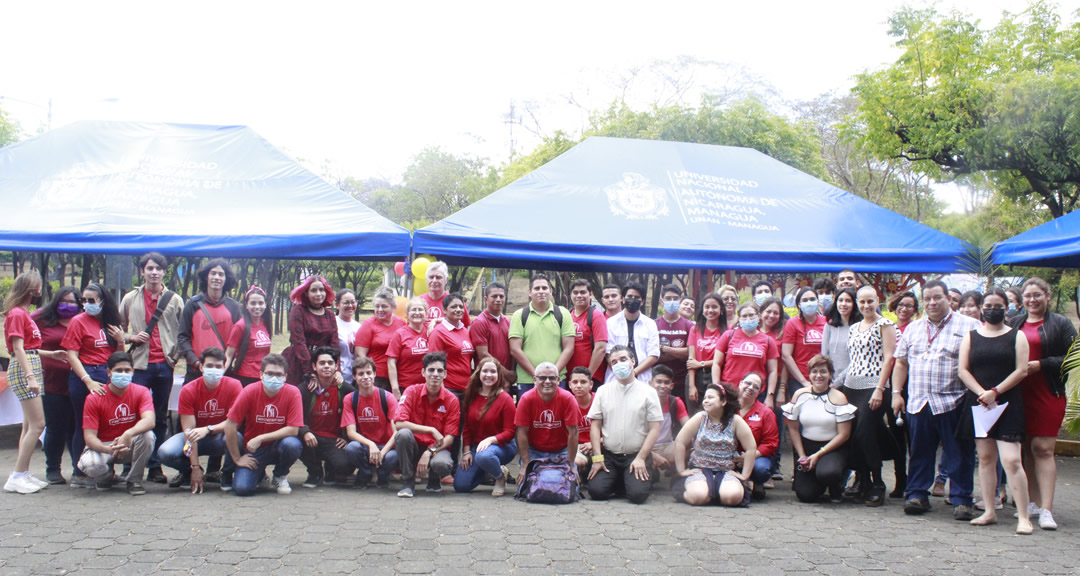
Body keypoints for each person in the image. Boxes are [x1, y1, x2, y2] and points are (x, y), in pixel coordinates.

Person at [892, 280, 982, 520]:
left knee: (959, 452)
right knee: (920, 451)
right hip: (919, 401)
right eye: (928, 298)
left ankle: (962, 499)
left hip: (953, 401)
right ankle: (917, 494)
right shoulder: (913, 328)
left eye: (937, 298)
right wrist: (897, 393)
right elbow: (900, 362)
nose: (932, 303)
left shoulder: (970, 326)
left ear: (948, 299)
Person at [958, 287, 1033, 533]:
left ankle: (1023, 516)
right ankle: (989, 511)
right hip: (980, 404)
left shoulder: (1017, 336)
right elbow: (963, 370)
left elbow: (1021, 370)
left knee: (1011, 460)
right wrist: (981, 393)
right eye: (987, 306)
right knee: (986, 459)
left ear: (1007, 308)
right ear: (981, 308)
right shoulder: (971, 336)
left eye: (997, 306)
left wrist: (996, 392)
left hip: (1007, 403)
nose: (992, 310)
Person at [1009, 277, 1078, 530]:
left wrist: (1042, 365)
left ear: (1047, 296)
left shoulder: (1060, 323)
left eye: (1037, 295)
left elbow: (1074, 355)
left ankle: (1047, 509)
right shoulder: (1014, 322)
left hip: (1048, 392)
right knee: (1026, 449)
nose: (1032, 300)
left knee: (1044, 449)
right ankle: (1032, 503)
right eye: (1027, 295)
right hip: (1019, 393)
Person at [118, 252, 184, 484]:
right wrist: (130, 337)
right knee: (134, 416)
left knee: (160, 417)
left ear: (164, 272)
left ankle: (155, 466)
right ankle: (129, 464)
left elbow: (182, 332)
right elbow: (116, 330)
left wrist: (174, 357)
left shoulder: (174, 299)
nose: (154, 272)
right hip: (139, 366)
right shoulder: (130, 299)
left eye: (158, 268)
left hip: (164, 366)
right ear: (142, 271)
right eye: (149, 268)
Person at [158, 347, 242, 493]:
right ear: (201, 367)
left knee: (237, 437)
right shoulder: (188, 390)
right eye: (209, 366)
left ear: (224, 367)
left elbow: (232, 423)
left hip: (219, 436)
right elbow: (189, 431)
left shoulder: (234, 386)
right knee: (166, 452)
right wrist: (195, 467)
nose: (214, 369)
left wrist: (208, 429)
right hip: (194, 437)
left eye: (218, 366)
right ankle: (190, 472)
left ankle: (227, 474)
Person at [62, 282, 121, 488]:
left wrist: (121, 341)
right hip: (84, 375)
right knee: (84, 424)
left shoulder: (110, 322)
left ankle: (106, 471)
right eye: (83, 300)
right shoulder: (78, 322)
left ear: (103, 302)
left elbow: (118, 357)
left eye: (91, 300)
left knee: (107, 425)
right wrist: (87, 380)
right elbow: (71, 355)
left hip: (106, 373)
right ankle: (80, 473)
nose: (86, 304)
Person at [586, 346, 662, 503]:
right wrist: (597, 458)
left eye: (623, 359)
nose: (618, 364)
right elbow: (595, 425)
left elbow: (654, 429)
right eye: (614, 362)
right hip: (609, 455)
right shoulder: (603, 391)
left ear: (633, 361)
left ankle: (641, 474)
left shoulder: (649, 392)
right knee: (596, 492)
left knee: (637, 496)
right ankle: (621, 480)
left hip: (636, 455)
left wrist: (641, 458)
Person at [842, 286, 896, 506]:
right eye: (862, 302)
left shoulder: (885, 324)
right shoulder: (854, 327)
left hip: (875, 386)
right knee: (854, 434)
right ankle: (861, 479)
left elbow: (890, 357)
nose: (866, 306)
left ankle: (877, 481)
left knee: (866, 432)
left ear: (878, 301)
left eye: (870, 301)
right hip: (851, 387)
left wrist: (880, 389)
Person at [224, 353, 304, 497]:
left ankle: (280, 475)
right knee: (242, 489)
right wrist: (237, 458)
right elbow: (230, 425)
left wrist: (261, 437)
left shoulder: (293, 393)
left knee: (292, 444)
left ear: (285, 376)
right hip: (253, 450)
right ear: (261, 374)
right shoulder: (249, 391)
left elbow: (293, 429)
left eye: (279, 374)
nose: (274, 378)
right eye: (270, 373)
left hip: (278, 447)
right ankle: (259, 475)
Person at [78, 352, 156, 495]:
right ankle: (105, 477)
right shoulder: (94, 398)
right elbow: (89, 437)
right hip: (105, 446)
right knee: (91, 465)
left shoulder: (141, 392)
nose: (123, 374)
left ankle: (134, 479)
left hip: (129, 443)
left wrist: (128, 433)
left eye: (127, 370)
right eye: (118, 370)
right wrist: (108, 449)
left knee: (148, 436)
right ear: (108, 372)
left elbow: (149, 420)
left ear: (133, 371)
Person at [783, 355, 855, 504]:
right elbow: (794, 429)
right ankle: (818, 482)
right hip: (807, 447)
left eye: (823, 371)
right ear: (809, 375)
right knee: (805, 495)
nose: (818, 376)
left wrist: (818, 455)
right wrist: (802, 456)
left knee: (828, 473)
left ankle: (836, 485)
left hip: (832, 448)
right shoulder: (800, 395)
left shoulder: (839, 398)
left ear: (830, 374)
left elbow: (844, 434)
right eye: (814, 372)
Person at [672, 383, 756, 507]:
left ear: (723, 402)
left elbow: (751, 448)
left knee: (732, 498)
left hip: (726, 471)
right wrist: (681, 470)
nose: (706, 401)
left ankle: (717, 492)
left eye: (711, 397)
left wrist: (745, 475)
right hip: (699, 469)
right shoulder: (700, 418)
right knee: (698, 497)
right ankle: (705, 492)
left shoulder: (735, 420)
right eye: (705, 398)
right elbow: (679, 442)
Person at [3, 272, 49, 494]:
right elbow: (18, 347)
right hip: (24, 370)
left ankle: (23, 472)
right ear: (30, 289)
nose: (39, 292)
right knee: (38, 424)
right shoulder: (17, 314)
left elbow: (29, 347)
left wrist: (52, 354)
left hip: (29, 364)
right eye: (37, 288)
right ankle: (18, 474)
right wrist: (30, 377)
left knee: (29, 425)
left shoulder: (23, 314)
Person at [392, 352, 460, 498]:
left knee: (443, 464)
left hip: (436, 448)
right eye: (431, 370)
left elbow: (449, 438)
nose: (435, 374)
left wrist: (429, 452)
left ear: (445, 374)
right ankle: (408, 482)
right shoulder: (411, 391)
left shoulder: (452, 400)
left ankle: (434, 479)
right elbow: (399, 423)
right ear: (423, 372)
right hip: (414, 447)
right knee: (403, 434)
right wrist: (431, 429)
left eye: (439, 371)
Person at [32, 286, 81, 485]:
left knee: (75, 426)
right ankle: (53, 468)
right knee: (55, 427)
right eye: (64, 301)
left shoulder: (82, 320)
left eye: (72, 302)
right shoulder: (40, 318)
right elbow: (25, 347)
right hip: (52, 381)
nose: (68, 306)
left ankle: (79, 468)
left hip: (78, 381)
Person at [454, 357, 517, 496]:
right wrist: (466, 452)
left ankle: (500, 478)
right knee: (461, 485)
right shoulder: (471, 395)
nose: (489, 375)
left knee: (484, 456)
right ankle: (490, 469)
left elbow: (510, 432)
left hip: (502, 446)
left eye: (493, 372)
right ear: (479, 373)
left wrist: (490, 440)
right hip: (477, 448)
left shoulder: (505, 399)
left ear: (499, 375)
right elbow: (467, 428)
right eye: (485, 371)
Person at [177, 258, 243, 383]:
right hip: (196, 370)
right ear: (206, 277)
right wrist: (195, 362)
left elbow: (238, 340)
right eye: (213, 273)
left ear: (226, 279)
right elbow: (182, 337)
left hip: (223, 371)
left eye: (221, 274)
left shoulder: (234, 307)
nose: (216, 277)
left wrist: (226, 365)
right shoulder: (192, 304)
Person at [509, 274, 574, 396]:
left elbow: (569, 348)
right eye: (537, 288)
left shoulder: (563, 313)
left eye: (544, 288)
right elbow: (515, 349)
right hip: (527, 381)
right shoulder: (519, 315)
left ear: (550, 291)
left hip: (557, 379)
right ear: (529, 292)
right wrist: (537, 375)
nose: (541, 292)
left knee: (558, 414)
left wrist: (552, 374)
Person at [297, 347, 353, 488]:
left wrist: (347, 437)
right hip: (311, 437)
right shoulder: (305, 389)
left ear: (336, 367)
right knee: (293, 441)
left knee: (344, 466)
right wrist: (305, 432)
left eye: (330, 363)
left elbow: (357, 410)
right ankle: (315, 472)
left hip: (333, 440)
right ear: (314, 366)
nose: (326, 366)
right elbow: (295, 418)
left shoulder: (344, 388)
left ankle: (331, 470)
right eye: (322, 363)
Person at [515, 362, 580, 483]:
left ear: (558, 379)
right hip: (534, 450)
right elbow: (521, 432)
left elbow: (574, 432)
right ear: (535, 380)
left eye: (552, 378)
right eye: (542, 378)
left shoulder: (568, 398)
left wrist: (571, 464)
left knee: (569, 484)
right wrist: (525, 464)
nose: (547, 381)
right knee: (527, 484)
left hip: (562, 450)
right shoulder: (526, 399)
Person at [342, 357, 400, 489]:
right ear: (354, 377)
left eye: (369, 373)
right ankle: (365, 473)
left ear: (374, 374)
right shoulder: (350, 399)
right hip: (365, 447)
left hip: (385, 446)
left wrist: (383, 451)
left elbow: (396, 431)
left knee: (393, 456)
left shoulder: (387, 397)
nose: (365, 377)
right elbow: (350, 432)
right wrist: (371, 444)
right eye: (361, 374)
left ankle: (383, 476)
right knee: (352, 448)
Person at [713, 303, 779, 404]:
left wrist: (770, 396)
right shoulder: (728, 335)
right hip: (730, 391)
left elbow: (773, 371)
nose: (748, 318)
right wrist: (716, 387)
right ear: (739, 318)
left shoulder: (768, 340)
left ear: (758, 316)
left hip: (755, 393)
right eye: (744, 316)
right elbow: (716, 363)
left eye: (751, 315)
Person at [283, 275, 340, 386]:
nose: (318, 294)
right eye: (313, 290)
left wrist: (336, 369)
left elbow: (334, 344)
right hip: (299, 362)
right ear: (306, 293)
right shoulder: (298, 311)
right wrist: (309, 371)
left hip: (322, 362)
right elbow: (299, 342)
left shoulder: (330, 315)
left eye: (321, 290)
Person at [604, 282, 660, 385]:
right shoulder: (611, 323)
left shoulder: (650, 324)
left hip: (643, 379)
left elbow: (653, 354)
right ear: (623, 299)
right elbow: (608, 352)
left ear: (642, 301)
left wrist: (633, 373)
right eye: (629, 296)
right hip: (616, 378)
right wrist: (622, 374)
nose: (632, 299)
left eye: (636, 297)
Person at [736, 372, 778, 500]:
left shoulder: (766, 413)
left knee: (761, 469)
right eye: (748, 383)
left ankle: (757, 482)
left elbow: (771, 443)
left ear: (760, 392)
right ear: (740, 384)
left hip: (756, 456)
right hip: (728, 454)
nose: (750, 388)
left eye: (756, 387)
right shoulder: (726, 407)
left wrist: (749, 456)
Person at [354, 287, 406, 391]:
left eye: (384, 306)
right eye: (377, 306)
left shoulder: (401, 323)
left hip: (398, 375)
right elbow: (360, 354)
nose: (380, 310)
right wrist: (368, 375)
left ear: (393, 307)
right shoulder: (368, 324)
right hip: (376, 377)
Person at [427, 293, 476, 395]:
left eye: (461, 307)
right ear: (444, 310)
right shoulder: (438, 333)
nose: (458, 309)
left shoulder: (465, 331)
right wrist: (442, 392)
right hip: (449, 389)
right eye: (453, 307)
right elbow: (433, 363)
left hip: (466, 388)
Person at [225, 286, 274, 387]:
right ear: (246, 305)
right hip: (244, 377)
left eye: (260, 303)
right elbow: (229, 354)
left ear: (265, 305)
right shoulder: (240, 326)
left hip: (263, 376)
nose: (257, 306)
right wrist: (220, 373)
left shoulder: (265, 323)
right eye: (253, 303)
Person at [688, 292, 726, 411]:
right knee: (695, 415)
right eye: (707, 307)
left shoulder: (727, 331)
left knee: (715, 412)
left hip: (717, 375)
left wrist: (701, 363)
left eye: (714, 307)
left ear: (721, 310)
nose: (710, 310)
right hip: (697, 376)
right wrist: (691, 386)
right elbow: (691, 360)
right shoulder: (695, 329)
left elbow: (724, 358)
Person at [567, 278, 609, 389]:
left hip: (591, 377)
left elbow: (600, 348)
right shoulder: (567, 315)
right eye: (575, 293)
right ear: (571, 295)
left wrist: (587, 376)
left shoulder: (596, 315)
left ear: (591, 294)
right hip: (569, 378)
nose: (579, 295)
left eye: (583, 292)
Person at [648, 365, 689, 474]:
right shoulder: (641, 402)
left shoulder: (675, 402)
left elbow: (689, 427)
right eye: (659, 382)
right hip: (646, 448)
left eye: (666, 382)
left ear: (672, 386)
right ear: (650, 383)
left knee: (690, 442)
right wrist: (652, 455)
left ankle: (678, 474)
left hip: (667, 447)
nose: (662, 386)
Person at [656, 284, 694, 400]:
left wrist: (665, 349)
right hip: (659, 382)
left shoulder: (689, 326)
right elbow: (653, 355)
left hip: (682, 382)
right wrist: (679, 354)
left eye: (675, 298)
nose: (672, 301)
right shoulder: (653, 324)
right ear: (662, 301)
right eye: (668, 298)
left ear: (680, 301)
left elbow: (691, 353)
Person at [470, 282, 514, 378]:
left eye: (501, 296)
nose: (498, 299)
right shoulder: (479, 322)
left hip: (506, 381)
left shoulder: (508, 322)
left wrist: (512, 372)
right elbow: (483, 355)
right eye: (494, 296)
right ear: (486, 299)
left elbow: (513, 351)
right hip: (487, 378)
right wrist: (506, 374)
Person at [387, 297, 430, 399]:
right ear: (407, 314)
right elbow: (391, 362)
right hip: (405, 387)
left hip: (428, 387)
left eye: (420, 309)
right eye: (413, 310)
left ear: (426, 314)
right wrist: (395, 388)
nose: (417, 312)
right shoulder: (400, 334)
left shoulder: (432, 331)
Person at [822, 287, 861, 387]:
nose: (843, 304)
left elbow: (856, 360)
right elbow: (824, 355)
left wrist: (838, 382)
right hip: (831, 381)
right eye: (840, 300)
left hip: (852, 381)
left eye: (848, 301)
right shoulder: (829, 326)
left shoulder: (859, 327)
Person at [420, 261, 471, 327]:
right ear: (426, 279)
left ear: (446, 279)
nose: (434, 281)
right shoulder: (418, 302)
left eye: (438, 277)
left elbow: (465, 327)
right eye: (431, 277)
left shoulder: (457, 303)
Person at [567, 367, 596, 480]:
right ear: (569, 385)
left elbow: (613, 431)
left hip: (601, 445)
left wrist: (594, 443)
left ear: (591, 384)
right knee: (576, 461)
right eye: (575, 382)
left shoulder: (600, 399)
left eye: (583, 382)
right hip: (579, 447)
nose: (579, 385)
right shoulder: (567, 402)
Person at [334, 289, 362, 386]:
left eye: (353, 302)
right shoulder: (333, 323)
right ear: (337, 305)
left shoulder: (359, 326)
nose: (350, 306)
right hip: (338, 378)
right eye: (346, 303)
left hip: (356, 378)